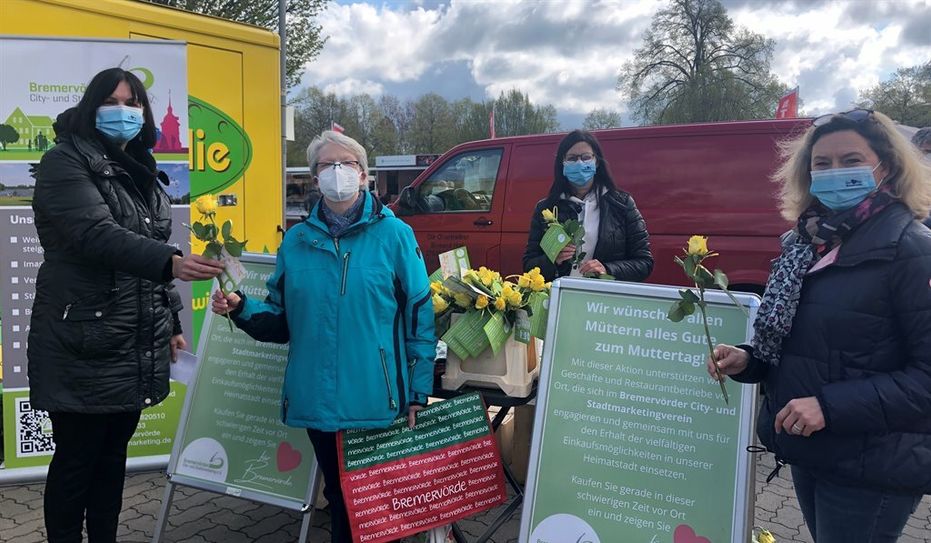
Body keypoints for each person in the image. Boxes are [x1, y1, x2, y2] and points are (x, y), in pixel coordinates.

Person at [709, 109, 931, 543]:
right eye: (822, 164)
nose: (835, 173)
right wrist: (750, 360)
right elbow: (805, 346)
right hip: (813, 449)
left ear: (885, 166)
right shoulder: (808, 243)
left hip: (872, 465)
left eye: (851, 160)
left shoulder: (910, 249)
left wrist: (829, 407)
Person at [28, 67, 224, 543]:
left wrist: (173, 319)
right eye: (113, 101)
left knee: (114, 458)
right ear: (92, 106)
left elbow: (153, 241)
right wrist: (172, 263)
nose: (124, 111)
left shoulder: (140, 167)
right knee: (77, 461)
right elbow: (96, 234)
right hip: (83, 339)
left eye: (133, 103)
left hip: (133, 337)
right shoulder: (65, 161)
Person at [211, 130, 435, 543]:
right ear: (315, 179)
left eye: (346, 164)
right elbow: (280, 320)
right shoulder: (296, 242)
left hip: (377, 398)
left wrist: (418, 390)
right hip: (317, 399)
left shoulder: (395, 236)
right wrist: (242, 308)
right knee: (340, 498)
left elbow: (419, 314)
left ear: (364, 175)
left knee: (376, 506)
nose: (336, 172)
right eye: (326, 166)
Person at [522, 129, 653, 281]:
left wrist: (607, 269)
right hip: (561, 297)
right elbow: (528, 265)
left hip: (601, 301)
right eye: (572, 158)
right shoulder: (546, 209)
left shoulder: (622, 204)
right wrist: (552, 260)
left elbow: (644, 263)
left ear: (596, 161)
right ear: (562, 164)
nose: (579, 163)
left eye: (586, 157)